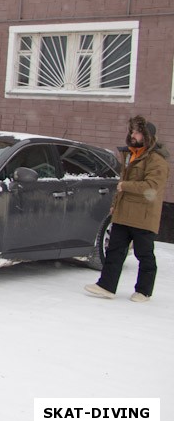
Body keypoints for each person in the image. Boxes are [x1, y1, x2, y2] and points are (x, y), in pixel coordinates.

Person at [85, 116, 170, 302]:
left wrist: (126, 186)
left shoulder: (156, 160)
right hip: (123, 213)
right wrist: (115, 204)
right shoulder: (132, 154)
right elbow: (121, 186)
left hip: (143, 216)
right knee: (114, 251)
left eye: (137, 132)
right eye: (132, 131)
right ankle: (106, 286)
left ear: (147, 136)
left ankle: (144, 291)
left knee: (144, 254)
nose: (133, 135)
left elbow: (152, 187)